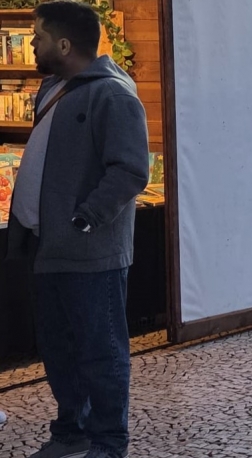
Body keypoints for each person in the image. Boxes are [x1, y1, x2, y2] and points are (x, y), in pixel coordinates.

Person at [4, 2, 149, 457]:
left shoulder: (113, 96)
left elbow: (130, 171)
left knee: (100, 352)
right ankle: (72, 431)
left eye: (38, 37)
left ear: (64, 44)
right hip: (47, 250)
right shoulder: (54, 89)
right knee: (60, 351)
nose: (32, 44)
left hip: (90, 253)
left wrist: (84, 217)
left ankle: (108, 441)